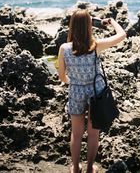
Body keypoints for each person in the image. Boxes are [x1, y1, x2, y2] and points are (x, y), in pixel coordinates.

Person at [58, 9, 126, 173]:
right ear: (89, 26)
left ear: (71, 26)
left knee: (76, 134)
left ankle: (75, 168)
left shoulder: (64, 48)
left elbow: (61, 77)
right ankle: (89, 168)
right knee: (93, 134)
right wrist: (111, 21)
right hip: (97, 92)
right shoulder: (95, 46)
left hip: (76, 92)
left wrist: (74, 82)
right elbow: (122, 35)